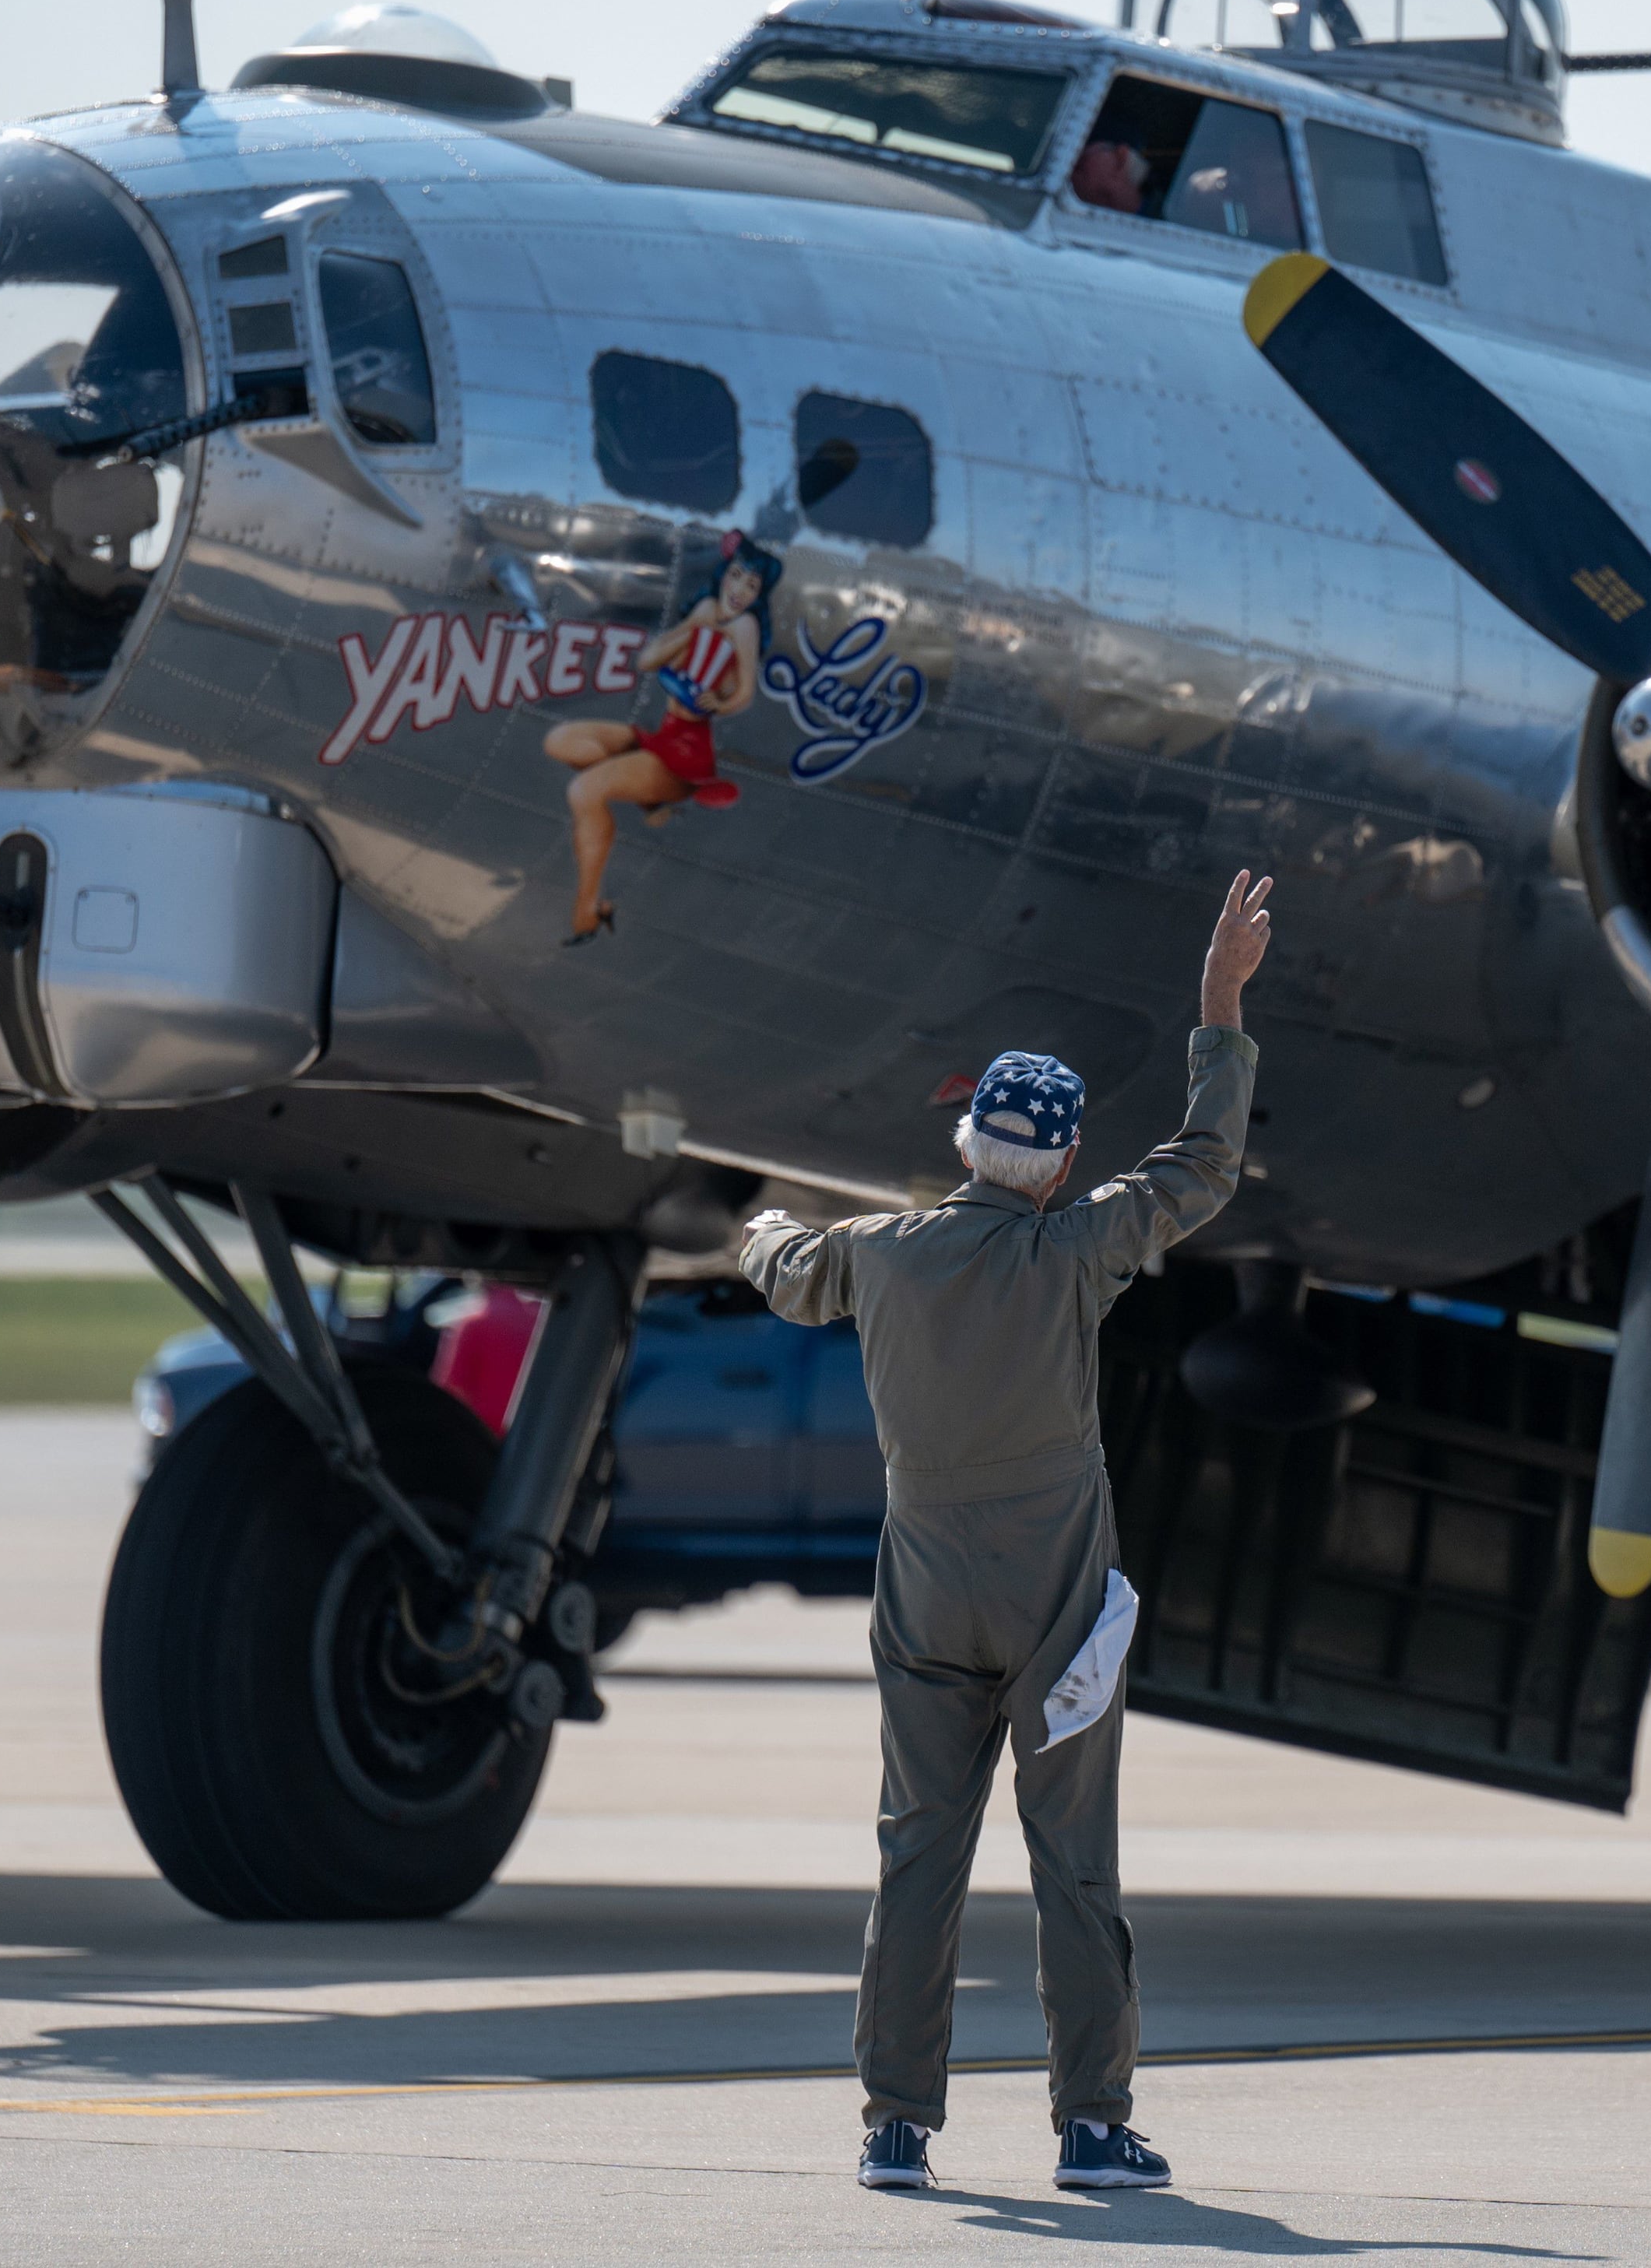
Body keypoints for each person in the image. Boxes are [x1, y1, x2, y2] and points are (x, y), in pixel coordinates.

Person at [739, 869, 1276, 2197]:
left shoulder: (879, 1252)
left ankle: (895, 2127)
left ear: (970, 1137)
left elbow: (784, 1264)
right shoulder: (1076, 1250)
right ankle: (1094, 2126)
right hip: (1058, 1616)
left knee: (917, 1853)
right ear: (1064, 1161)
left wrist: (749, 1222)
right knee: (1071, 1860)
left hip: (923, 1604)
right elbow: (1203, 1166)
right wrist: (1219, 1003)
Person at [545, 532, 778, 943]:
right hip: (663, 735)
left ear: (759, 594)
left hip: (687, 752)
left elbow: (744, 693)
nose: (741, 590)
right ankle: (650, 797)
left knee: (584, 792)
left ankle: (588, 909)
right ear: (725, 575)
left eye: (753, 585)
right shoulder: (707, 609)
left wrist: (718, 704)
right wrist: (693, 631)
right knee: (561, 740)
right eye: (737, 577)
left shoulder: (746, 627)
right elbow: (649, 659)